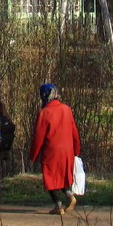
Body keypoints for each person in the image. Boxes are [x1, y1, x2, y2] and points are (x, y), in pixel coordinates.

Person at [28, 83, 81, 214]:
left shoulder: (44, 112)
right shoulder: (66, 109)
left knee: (50, 177)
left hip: (51, 150)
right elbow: (74, 132)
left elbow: (38, 137)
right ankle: (69, 195)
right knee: (62, 176)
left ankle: (58, 205)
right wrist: (76, 149)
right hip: (67, 149)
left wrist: (33, 155)